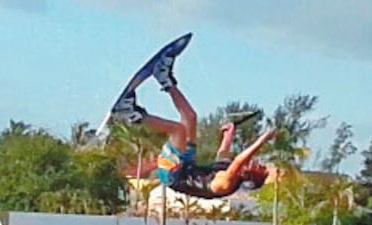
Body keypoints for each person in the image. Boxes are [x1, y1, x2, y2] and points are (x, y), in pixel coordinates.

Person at [109, 51, 278, 199]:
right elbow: (223, 154)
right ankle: (164, 78)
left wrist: (262, 140)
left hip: (173, 174)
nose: (256, 163)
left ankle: (130, 112)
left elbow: (239, 161)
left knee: (178, 130)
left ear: (249, 177)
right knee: (190, 117)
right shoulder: (227, 170)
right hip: (186, 164)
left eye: (256, 168)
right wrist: (229, 135)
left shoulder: (226, 183)